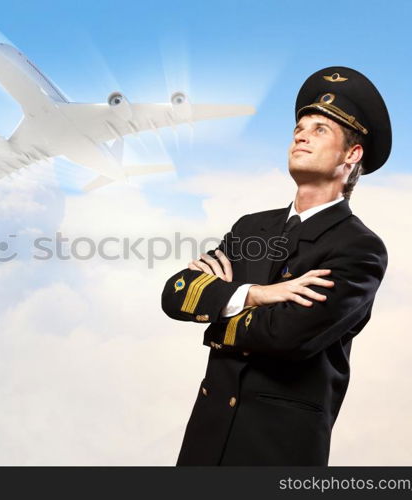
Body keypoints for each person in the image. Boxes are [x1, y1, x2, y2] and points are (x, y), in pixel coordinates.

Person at [161, 66, 391, 465]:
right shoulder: (253, 227)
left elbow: (288, 337)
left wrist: (219, 306)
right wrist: (256, 295)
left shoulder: (360, 249)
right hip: (205, 441)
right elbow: (175, 293)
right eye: (300, 127)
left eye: (321, 130)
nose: (301, 135)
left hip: (277, 451)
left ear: (352, 155)